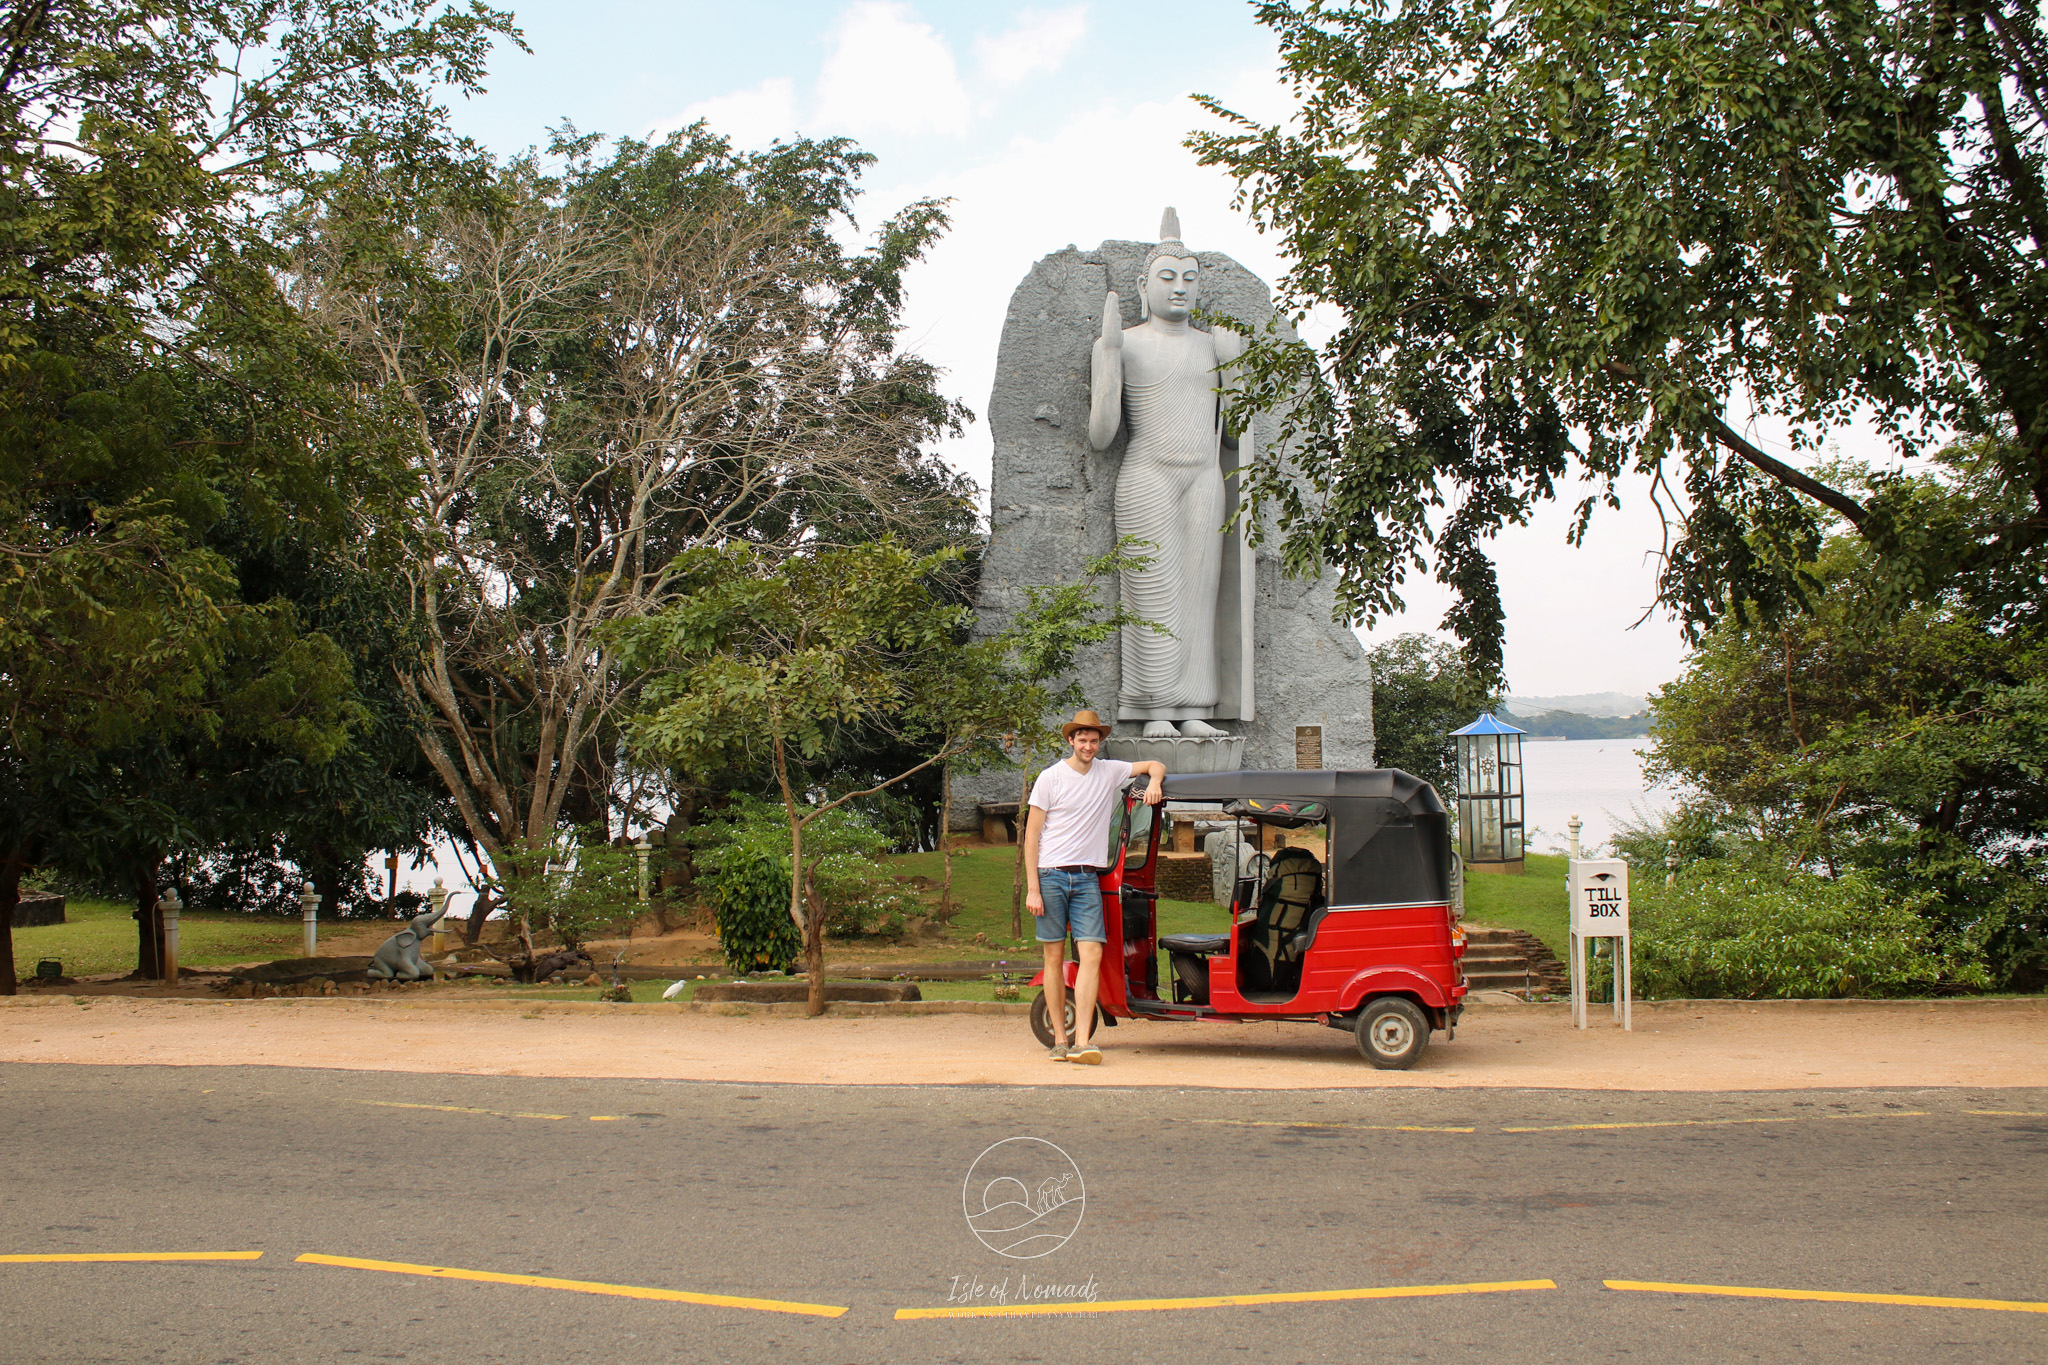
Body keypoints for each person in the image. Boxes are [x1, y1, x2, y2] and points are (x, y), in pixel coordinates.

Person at [1023, 709, 1166, 1064]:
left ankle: (1083, 1040)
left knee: (1093, 955)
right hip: (1051, 875)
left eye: (1094, 740)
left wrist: (1155, 785)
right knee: (1053, 958)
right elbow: (1031, 836)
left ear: (1100, 743)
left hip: (1088, 877)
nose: (1088, 745)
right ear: (1070, 741)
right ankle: (1060, 1039)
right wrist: (1032, 888)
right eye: (1082, 740)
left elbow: (1154, 764)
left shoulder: (1109, 771)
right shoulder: (1050, 778)